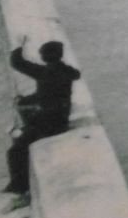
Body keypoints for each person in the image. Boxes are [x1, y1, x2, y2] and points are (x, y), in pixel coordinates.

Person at [4, 36, 80, 200]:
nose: (40, 55)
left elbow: (17, 63)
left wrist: (19, 46)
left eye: (42, 53)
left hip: (48, 123)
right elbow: (48, 94)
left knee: (16, 150)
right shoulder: (65, 71)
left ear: (47, 56)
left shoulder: (45, 72)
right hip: (60, 119)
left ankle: (20, 188)